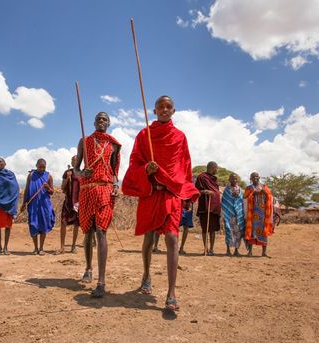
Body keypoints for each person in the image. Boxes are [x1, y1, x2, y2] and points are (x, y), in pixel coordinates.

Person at [122, 96, 199, 312]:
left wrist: (185, 193)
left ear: (174, 111)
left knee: (172, 238)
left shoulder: (180, 137)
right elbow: (134, 162)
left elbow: (185, 165)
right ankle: (146, 274)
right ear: (154, 110)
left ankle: (171, 292)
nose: (164, 110)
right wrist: (146, 169)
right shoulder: (144, 135)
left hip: (171, 194)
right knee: (149, 237)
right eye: (160, 107)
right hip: (151, 194)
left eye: (168, 107)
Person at [75, 112, 121, 298]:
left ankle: (101, 281)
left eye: (105, 119)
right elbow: (76, 168)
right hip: (87, 189)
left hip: (105, 189)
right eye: (98, 119)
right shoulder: (84, 141)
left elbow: (114, 171)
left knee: (101, 230)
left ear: (108, 123)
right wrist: (81, 173)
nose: (101, 121)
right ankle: (88, 267)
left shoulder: (114, 145)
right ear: (94, 122)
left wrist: (116, 185)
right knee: (88, 231)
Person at [20, 158, 55, 255]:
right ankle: (35, 248)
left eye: (44, 167)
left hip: (44, 205)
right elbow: (27, 189)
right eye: (40, 167)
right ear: (36, 166)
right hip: (33, 205)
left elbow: (52, 192)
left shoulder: (48, 176)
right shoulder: (31, 175)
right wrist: (24, 203)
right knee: (33, 225)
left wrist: (48, 188)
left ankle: (41, 248)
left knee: (43, 225)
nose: (42, 169)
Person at [0, 157, 19, 255]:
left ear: (5, 164)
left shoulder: (10, 174)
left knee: (8, 226)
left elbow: (15, 188)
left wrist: (12, 200)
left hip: (9, 204)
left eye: (0, 161)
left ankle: (5, 247)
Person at [244, 172, 274, 257]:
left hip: (263, 214)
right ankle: (250, 252)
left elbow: (270, 196)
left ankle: (264, 252)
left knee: (264, 232)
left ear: (259, 177)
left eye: (256, 176)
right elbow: (244, 197)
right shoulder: (249, 188)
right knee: (251, 232)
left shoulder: (264, 187)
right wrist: (253, 194)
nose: (255, 178)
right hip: (252, 214)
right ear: (251, 178)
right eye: (253, 177)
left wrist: (264, 192)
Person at [195, 161, 221, 256]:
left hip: (214, 207)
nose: (217, 170)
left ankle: (211, 249)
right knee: (205, 229)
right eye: (216, 168)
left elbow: (216, 190)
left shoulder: (215, 179)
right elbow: (196, 191)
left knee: (213, 229)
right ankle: (205, 249)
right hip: (205, 206)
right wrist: (205, 191)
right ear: (212, 167)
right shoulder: (201, 177)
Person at [59, 156, 80, 254]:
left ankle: (73, 246)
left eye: (75, 160)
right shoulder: (67, 172)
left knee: (76, 224)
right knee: (63, 222)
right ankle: (62, 246)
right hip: (68, 202)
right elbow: (62, 188)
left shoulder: (82, 173)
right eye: (72, 160)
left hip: (77, 202)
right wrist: (67, 178)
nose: (73, 162)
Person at [221, 173, 245, 256]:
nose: (234, 180)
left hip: (238, 215)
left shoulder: (240, 190)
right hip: (228, 215)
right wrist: (224, 214)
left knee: (238, 233)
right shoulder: (226, 190)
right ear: (229, 180)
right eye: (232, 178)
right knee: (228, 231)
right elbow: (224, 202)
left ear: (237, 180)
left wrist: (237, 196)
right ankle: (228, 250)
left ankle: (236, 250)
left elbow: (242, 202)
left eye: (235, 179)